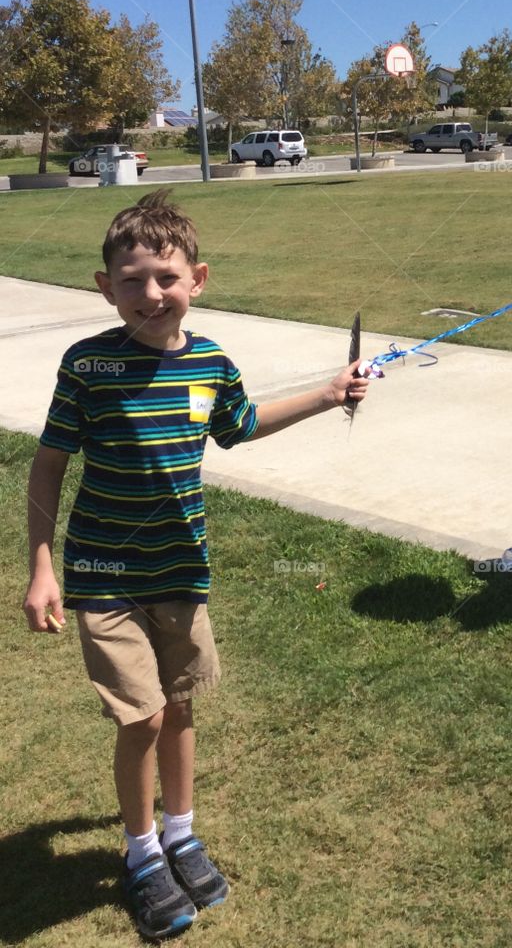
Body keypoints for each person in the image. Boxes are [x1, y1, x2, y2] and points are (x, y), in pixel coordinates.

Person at [22, 188, 370, 941]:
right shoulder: (88, 366)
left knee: (180, 705)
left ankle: (180, 833)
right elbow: (48, 466)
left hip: (181, 572)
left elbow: (240, 428)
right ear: (104, 286)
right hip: (105, 576)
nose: (151, 294)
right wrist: (41, 568)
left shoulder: (211, 362)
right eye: (131, 279)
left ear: (198, 280)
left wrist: (327, 393)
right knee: (141, 715)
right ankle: (143, 854)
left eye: (167, 278)